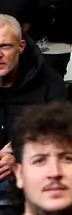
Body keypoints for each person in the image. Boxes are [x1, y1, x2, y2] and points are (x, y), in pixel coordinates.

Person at [0, 16, 63, 159]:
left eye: (5, 46)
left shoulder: (49, 82)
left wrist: (16, 156)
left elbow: (58, 135)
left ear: (21, 46)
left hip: (33, 168)